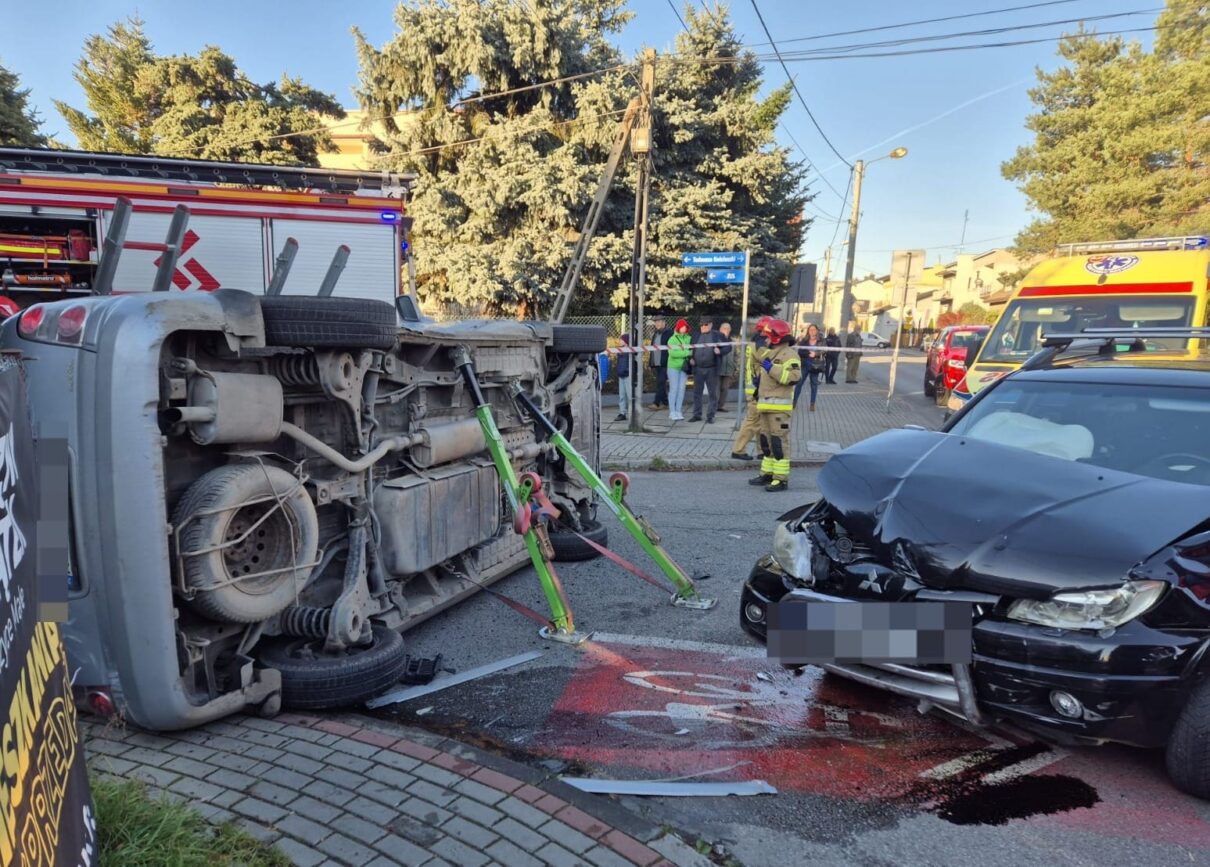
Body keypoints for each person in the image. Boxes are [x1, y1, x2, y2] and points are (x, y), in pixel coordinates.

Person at [749, 319, 801, 492]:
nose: (766, 339)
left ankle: (781, 479)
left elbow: (794, 377)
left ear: (777, 338)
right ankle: (768, 474)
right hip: (765, 406)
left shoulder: (790, 355)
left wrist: (772, 369)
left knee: (779, 443)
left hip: (779, 410)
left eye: (769, 336)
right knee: (766, 442)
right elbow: (758, 358)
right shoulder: (772, 353)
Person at [730, 316, 772, 461]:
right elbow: (771, 360)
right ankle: (738, 450)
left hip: (754, 387)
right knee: (753, 421)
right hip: (756, 389)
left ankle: (761, 451)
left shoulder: (755, 342)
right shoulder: (761, 346)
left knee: (761, 422)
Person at [690, 318, 731, 422]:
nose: (703, 327)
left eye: (705, 325)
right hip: (698, 369)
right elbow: (690, 349)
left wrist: (720, 351)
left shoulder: (717, 335)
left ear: (711, 325)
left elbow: (728, 347)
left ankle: (710, 416)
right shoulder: (695, 335)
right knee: (697, 393)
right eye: (701, 325)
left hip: (712, 369)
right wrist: (690, 359)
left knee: (713, 394)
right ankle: (697, 415)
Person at [666, 319, 693, 421]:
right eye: (682, 326)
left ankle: (678, 411)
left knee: (681, 390)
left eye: (685, 326)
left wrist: (684, 351)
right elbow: (673, 353)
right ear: (678, 327)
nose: (684, 328)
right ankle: (672, 412)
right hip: (673, 367)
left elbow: (692, 350)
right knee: (674, 389)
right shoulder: (672, 339)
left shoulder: (689, 338)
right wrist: (686, 353)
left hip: (684, 368)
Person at [794, 323, 824, 411]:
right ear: (808, 331)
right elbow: (800, 352)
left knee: (814, 385)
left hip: (815, 365)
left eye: (814, 329)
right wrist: (808, 353)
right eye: (810, 330)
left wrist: (816, 353)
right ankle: (794, 402)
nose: (812, 331)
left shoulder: (821, 340)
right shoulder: (804, 340)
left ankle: (812, 404)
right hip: (805, 364)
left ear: (817, 331)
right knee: (799, 383)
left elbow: (825, 350)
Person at [647, 315, 673, 410]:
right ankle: (665, 403)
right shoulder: (655, 334)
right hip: (656, 363)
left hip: (665, 363)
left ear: (664, 322)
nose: (657, 323)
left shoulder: (669, 333)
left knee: (660, 383)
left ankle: (656, 403)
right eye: (656, 322)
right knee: (660, 383)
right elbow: (652, 349)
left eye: (659, 321)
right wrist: (651, 363)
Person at [717, 322, 736, 412]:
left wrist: (735, 366)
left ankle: (721, 405)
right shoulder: (717, 340)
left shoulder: (732, 341)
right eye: (724, 328)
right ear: (720, 329)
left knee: (724, 388)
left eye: (728, 328)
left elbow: (735, 355)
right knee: (716, 388)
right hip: (718, 368)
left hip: (728, 368)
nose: (726, 330)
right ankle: (714, 405)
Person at [614, 334, 632, 421]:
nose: (620, 341)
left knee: (629, 395)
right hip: (621, 375)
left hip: (628, 375)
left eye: (621, 340)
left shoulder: (630, 351)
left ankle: (632, 413)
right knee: (622, 395)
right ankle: (622, 413)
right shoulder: (619, 351)